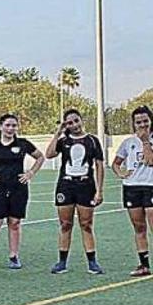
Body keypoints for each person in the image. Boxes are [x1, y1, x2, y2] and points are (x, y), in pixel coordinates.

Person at [0, 114, 46, 270]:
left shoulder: (23, 144)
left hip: (18, 189)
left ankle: (13, 256)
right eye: (8, 125)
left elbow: (40, 157)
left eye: (14, 125)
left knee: (14, 223)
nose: (11, 128)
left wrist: (30, 173)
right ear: (0, 126)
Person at [44, 109, 105, 274]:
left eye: (76, 121)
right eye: (70, 123)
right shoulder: (63, 141)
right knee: (65, 224)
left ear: (81, 120)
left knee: (86, 224)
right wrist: (57, 133)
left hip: (86, 186)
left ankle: (92, 262)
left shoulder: (92, 141)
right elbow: (49, 155)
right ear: (66, 125)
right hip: (66, 186)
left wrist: (99, 190)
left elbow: (99, 165)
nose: (74, 125)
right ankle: (62, 262)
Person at [112, 105, 153, 276]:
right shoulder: (128, 143)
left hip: (151, 186)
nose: (142, 125)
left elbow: (150, 161)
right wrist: (121, 173)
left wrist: (145, 141)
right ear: (133, 124)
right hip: (132, 187)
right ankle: (144, 265)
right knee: (139, 227)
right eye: (138, 122)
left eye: (145, 121)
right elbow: (115, 163)